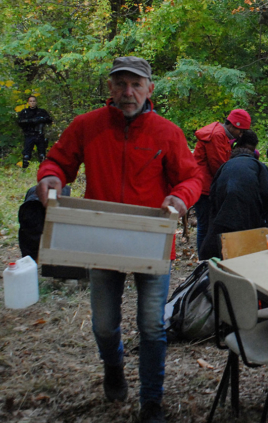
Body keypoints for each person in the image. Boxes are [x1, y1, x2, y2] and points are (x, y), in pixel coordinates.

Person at [35, 56, 201, 423]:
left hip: (152, 242)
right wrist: (51, 177)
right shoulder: (86, 126)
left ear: (149, 89)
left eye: (136, 85)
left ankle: (151, 401)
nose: (129, 93)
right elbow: (58, 162)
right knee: (104, 324)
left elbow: (191, 178)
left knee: (152, 324)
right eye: (121, 84)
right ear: (110, 88)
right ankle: (113, 366)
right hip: (101, 239)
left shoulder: (167, 133)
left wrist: (180, 197)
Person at [199, 130, 268, 260]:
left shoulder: (224, 166)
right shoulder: (259, 166)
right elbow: (267, 191)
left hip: (224, 215)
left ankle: (207, 263)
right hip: (250, 215)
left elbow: (214, 194)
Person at [192, 108, 251, 253]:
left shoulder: (222, 134)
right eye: (240, 131)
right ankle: (204, 262)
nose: (241, 135)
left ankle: (207, 257)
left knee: (207, 225)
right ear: (232, 125)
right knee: (205, 226)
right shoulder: (217, 136)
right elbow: (218, 165)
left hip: (206, 185)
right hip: (204, 188)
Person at [17, 95, 52, 168]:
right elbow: (19, 122)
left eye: (33, 101)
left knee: (42, 155)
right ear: (28, 102)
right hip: (29, 135)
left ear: (36, 102)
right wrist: (31, 121)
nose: (32, 103)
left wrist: (41, 119)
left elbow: (49, 120)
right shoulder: (24, 112)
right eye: (31, 101)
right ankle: (25, 170)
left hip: (40, 135)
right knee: (26, 155)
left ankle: (44, 170)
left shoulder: (41, 112)